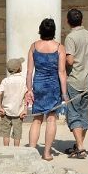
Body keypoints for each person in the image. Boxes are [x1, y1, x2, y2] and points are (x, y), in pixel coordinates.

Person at [26, 18, 67, 161]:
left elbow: (29, 71)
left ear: (40, 30)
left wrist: (29, 89)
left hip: (38, 85)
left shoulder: (34, 47)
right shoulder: (59, 47)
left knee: (36, 120)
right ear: (54, 30)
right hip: (53, 87)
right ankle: (47, 153)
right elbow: (62, 73)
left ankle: (31, 152)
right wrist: (64, 93)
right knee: (51, 120)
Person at [63, 8, 88, 159]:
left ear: (68, 21)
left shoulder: (71, 37)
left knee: (74, 113)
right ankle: (79, 144)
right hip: (87, 79)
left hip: (75, 78)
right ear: (82, 20)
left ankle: (80, 147)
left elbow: (69, 60)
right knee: (83, 113)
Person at [0, 58, 27, 147]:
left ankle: (6, 150)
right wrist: (25, 110)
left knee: (5, 133)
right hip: (19, 112)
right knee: (17, 134)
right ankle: (16, 150)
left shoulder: (5, 81)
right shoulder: (24, 81)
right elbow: (27, 96)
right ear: (20, 68)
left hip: (5, 112)